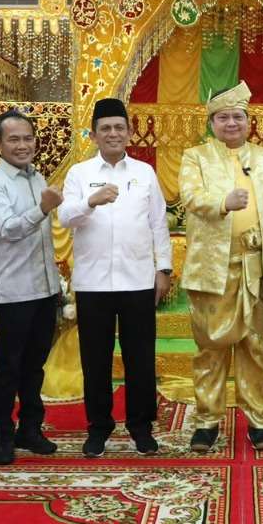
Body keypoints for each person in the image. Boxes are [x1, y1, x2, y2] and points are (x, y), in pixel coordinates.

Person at [179, 81, 263, 453]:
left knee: (255, 346)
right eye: (223, 117)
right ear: (212, 123)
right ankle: (207, 420)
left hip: (255, 265)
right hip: (213, 267)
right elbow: (190, 197)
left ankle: (260, 421)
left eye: (237, 117)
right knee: (210, 347)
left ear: (248, 121)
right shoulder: (195, 157)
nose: (231, 123)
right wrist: (223, 201)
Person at [60, 98, 172, 457]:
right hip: (93, 283)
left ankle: (141, 427)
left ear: (129, 133)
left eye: (119, 128)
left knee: (141, 358)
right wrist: (90, 201)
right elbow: (65, 218)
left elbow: (158, 223)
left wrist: (164, 269)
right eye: (105, 128)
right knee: (96, 359)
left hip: (138, 280)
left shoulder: (144, 173)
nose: (112, 134)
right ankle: (99, 427)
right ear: (93, 135)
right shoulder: (78, 173)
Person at [0, 110, 64, 465]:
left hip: (44, 288)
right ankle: (2, 432)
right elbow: (9, 229)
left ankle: (30, 427)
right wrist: (42, 209)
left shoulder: (36, 176)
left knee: (36, 364)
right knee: (10, 364)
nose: (22, 145)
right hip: (13, 290)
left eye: (28, 138)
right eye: (13, 139)